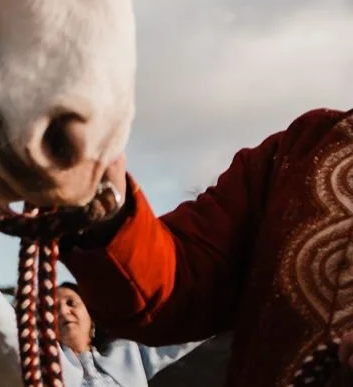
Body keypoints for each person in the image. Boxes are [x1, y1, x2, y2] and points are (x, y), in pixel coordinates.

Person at [60, 108, 353, 387]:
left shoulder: (128, 361)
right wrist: (106, 212)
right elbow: (180, 281)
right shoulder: (305, 146)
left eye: (71, 302)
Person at [0, 209, 203, 385]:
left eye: (71, 303)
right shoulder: (46, 362)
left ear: (93, 316)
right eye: (53, 308)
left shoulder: (130, 353)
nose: (64, 312)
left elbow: (188, 327)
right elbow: (3, 322)